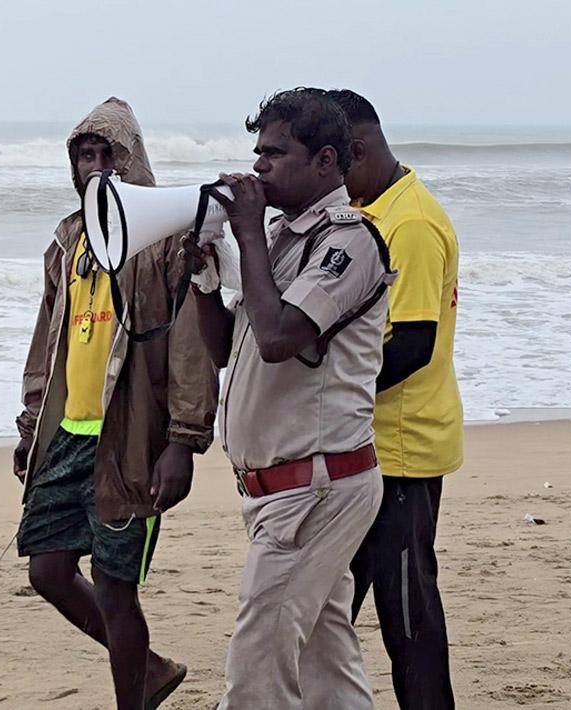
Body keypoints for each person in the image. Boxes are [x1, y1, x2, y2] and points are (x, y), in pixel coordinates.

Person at [183, 87, 392, 709]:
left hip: (315, 489)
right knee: (328, 669)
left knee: (258, 667)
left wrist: (245, 233)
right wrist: (202, 279)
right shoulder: (279, 240)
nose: (258, 167)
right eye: (257, 152)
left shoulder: (347, 242)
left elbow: (278, 339)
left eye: (275, 154)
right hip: (290, 488)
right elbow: (230, 349)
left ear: (326, 162)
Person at [12, 97, 219, 710]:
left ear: (131, 161)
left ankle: (134, 696)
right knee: (47, 570)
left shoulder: (163, 242)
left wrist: (182, 441)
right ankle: (149, 670)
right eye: (84, 155)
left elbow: (190, 348)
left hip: (129, 438)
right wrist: (30, 426)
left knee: (115, 586)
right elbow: (47, 338)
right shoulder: (69, 240)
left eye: (107, 154)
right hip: (67, 434)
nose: (95, 166)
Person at [330, 89, 463, 710]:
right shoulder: (371, 208)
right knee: (329, 604)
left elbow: (413, 345)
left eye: (333, 161)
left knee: (408, 614)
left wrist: (325, 386)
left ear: (357, 150)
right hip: (364, 447)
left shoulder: (407, 223)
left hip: (403, 449)